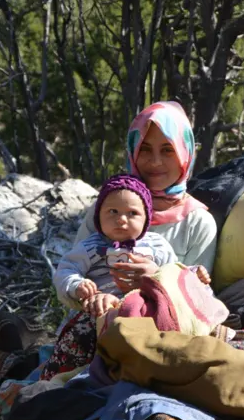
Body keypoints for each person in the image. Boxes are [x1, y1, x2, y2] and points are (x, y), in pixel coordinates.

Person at [41, 101, 218, 380]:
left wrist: (157, 279)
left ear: (185, 152)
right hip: (88, 336)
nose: (155, 161)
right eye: (145, 149)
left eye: (167, 150)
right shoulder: (105, 211)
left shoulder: (197, 223)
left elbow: (198, 301)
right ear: (132, 151)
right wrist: (90, 297)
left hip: (157, 342)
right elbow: (69, 276)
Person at [52, 173, 177, 317]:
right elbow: (65, 270)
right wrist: (77, 285)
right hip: (98, 313)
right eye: (113, 211)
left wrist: (163, 275)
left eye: (132, 213)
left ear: (146, 218)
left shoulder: (157, 246)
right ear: (98, 216)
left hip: (146, 313)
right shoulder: (90, 247)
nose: (121, 219)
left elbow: (176, 275)